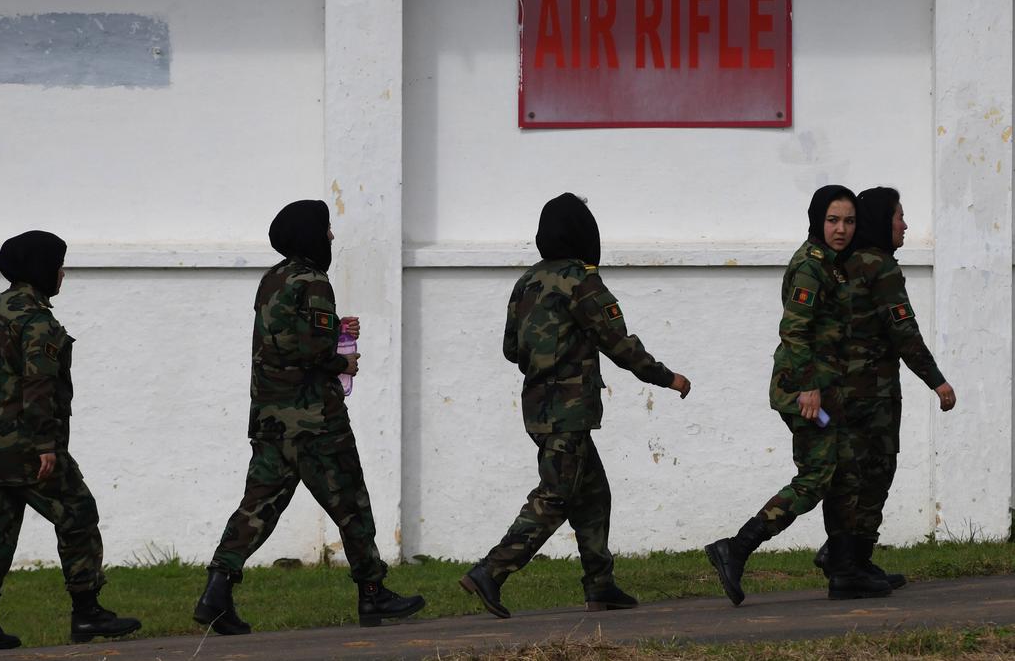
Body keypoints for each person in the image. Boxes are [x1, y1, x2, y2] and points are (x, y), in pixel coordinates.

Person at [194, 200, 425, 634]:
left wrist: (336, 330)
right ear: (310, 235)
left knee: (258, 506)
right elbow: (312, 351)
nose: (332, 237)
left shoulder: (271, 280)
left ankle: (217, 591)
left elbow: (283, 339)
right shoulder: (315, 281)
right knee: (352, 503)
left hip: (269, 418)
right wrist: (344, 363)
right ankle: (373, 593)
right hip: (315, 421)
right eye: (327, 229)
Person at [459, 193, 692, 619]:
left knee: (593, 494)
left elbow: (512, 350)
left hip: (538, 409)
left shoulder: (526, 282)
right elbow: (618, 342)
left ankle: (600, 583)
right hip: (570, 409)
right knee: (556, 495)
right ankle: (491, 571)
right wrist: (665, 377)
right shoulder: (582, 281)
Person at [705, 185, 890, 605]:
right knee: (816, 477)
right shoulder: (811, 265)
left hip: (826, 390)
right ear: (816, 220)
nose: (841, 229)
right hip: (804, 390)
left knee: (845, 476)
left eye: (849, 221)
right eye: (832, 220)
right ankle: (735, 548)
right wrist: (809, 387)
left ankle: (844, 572)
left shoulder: (834, 264)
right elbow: (794, 330)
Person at [0, 231, 141, 651]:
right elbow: (38, 384)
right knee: (77, 513)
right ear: (42, 268)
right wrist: (45, 444)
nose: (63, 272)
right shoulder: (36, 318)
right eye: (58, 264)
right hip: (29, 442)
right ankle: (88, 613)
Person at [811, 187, 956, 587]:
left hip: (841, 391)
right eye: (899, 216)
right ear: (882, 220)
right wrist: (937, 381)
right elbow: (903, 333)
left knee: (850, 477)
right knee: (876, 473)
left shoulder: (848, 263)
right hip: (872, 394)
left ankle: (851, 560)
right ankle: (851, 562)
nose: (905, 225)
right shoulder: (881, 267)